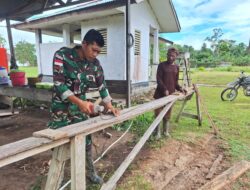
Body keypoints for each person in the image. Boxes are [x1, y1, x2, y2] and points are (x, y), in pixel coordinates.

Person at [48, 29, 119, 184]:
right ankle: (56, 181)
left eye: (98, 52)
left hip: (81, 108)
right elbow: (58, 84)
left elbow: (102, 86)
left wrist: (109, 104)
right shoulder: (62, 56)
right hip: (61, 108)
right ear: (84, 43)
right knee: (60, 144)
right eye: (93, 50)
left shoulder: (95, 64)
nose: (95, 54)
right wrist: (79, 102)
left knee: (85, 141)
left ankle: (90, 173)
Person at [153, 47, 186, 139]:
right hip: (160, 94)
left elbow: (175, 82)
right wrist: (164, 89)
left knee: (167, 114)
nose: (170, 57)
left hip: (171, 95)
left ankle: (165, 132)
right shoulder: (161, 65)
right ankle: (157, 133)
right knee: (158, 113)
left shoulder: (176, 67)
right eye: (168, 55)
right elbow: (158, 79)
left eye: (172, 56)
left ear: (176, 57)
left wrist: (180, 88)